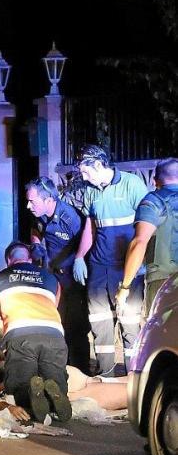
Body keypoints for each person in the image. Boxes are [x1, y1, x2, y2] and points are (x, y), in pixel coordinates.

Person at [73, 144, 148, 376]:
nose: (84, 177)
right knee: (99, 322)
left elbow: (146, 228)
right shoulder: (90, 191)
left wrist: (141, 263)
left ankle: (133, 376)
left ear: (98, 164)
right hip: (99, 266)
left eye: (86, 171)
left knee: (130, 322)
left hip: (126, 267)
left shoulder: (132, 184)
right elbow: (91, 227)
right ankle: (105, 374)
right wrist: (79, 257)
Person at [0, 241, 71, 423]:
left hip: (20, 333)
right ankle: (54, 396)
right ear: (29, 259)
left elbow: (1, 313)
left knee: (20, 387)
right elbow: (54, 305)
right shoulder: (52, 279)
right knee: (55, 380)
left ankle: (31, 399)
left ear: (8, 260)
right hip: (54, 335)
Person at [25, 177, 90, 374]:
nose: (28, 206)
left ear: (48, 199)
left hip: (74, 279)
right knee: (56, 325)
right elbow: (35, 229)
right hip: (54, 279)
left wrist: (80, 259)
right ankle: (60, 369)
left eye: (32, 201)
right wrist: (36, 244)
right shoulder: (39, 214)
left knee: (76, 327)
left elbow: (88, 238)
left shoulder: (70, 217)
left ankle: (80, 371)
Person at [116, 158, 178, 315]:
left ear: (154, 181)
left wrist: (125, 287)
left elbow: (139, 242)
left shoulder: (154, 201)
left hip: (163, 282)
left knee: (161, 329)